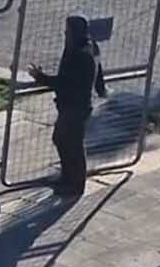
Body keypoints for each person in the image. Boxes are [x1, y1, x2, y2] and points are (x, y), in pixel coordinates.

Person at [26, 14, 109, 201]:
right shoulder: (89, 46)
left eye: (67, 30)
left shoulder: (78, 54)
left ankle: (74, 183)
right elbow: (99, 70)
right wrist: (101, 89)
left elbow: (63, 82)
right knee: (66, 141)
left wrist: (40, 77)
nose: (65, 33)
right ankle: (69, 177)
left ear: (73, 32)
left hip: (75, 106)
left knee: (69, 143)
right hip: (76, 105)